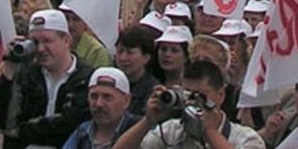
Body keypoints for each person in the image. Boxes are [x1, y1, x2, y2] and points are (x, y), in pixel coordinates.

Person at [0, 9, 94, 149]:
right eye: (35, 42)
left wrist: (20, 131)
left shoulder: (86, 77)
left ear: (66, 40)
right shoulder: (26, 74)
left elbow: (69, 123)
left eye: (47, 41)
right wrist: (9, 71)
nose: (41, 49)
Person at [112, 59, 264, 149]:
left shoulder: (246, 138)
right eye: (187, 94)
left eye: (200, 95)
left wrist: (210, 131)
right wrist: (147, 121)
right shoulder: (170, 131)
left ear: (220, 95)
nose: (192, 102)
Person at [62, 67, 140, 149]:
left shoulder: (141, 131)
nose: (99, 104)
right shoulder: (82, 133)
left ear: (126, 100)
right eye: (94, 96)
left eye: (107, 97)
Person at [116, 26, 160, 116]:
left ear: (146, 57)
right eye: (120, 52)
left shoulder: (152, 90)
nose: (123, 58)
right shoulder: (110, 82)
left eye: (130, 53)